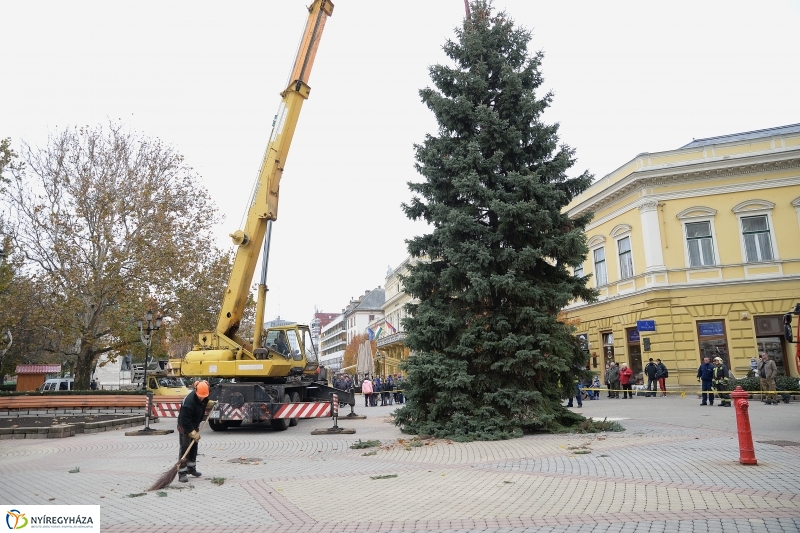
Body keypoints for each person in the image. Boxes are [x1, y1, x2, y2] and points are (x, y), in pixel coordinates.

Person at [177, 379, 211, 483]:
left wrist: (211, 403)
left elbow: (204, 402)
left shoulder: (203, 396)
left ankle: (191, 468)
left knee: (193, 447)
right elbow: (185, 420)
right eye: (201, 396)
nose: (202, 398)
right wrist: (192, 433)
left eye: (204, 396)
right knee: (185, 449)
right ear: (196, 391)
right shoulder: (189, 402)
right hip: (185, 427)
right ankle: (182, 473)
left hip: (195, 424)